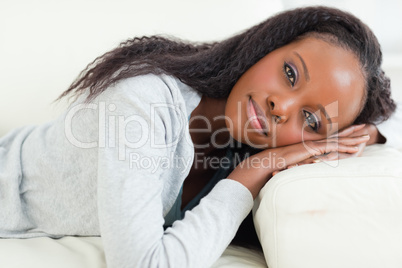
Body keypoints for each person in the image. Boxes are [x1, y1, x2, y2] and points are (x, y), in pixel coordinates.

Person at [0, 5, 400, 268]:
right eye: (290, 74)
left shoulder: (239, 141)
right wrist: (253, 171)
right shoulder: (144, 102)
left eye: (311, 120)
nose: (282, 106)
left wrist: (368, 133)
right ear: (265, 48)